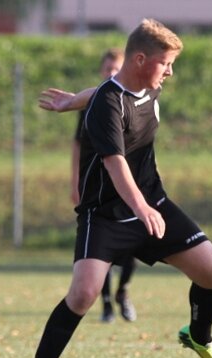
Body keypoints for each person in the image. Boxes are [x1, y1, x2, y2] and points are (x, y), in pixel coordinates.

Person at [22, 18, 212, 358]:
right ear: (140, 60)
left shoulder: (148, 87)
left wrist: (72, 100)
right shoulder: (107, 105)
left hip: (152, 201)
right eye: (166, 63)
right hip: (105, 214)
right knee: (83, 294)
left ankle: (199, 336)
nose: (170, 72)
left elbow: (103, 88)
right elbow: (115, 164)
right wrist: (142, 208)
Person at [71, 48, 138, 323]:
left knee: (134, 243)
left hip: (129, 186)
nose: (111, 73)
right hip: (100, 189)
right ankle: (107, 305)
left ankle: (122, 292)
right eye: (108, 68)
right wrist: (75, 182)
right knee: (101, 249)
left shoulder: (134, 100)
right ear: (102, 70)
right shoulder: (94, 102)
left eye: (116, 69)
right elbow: (78, 145)